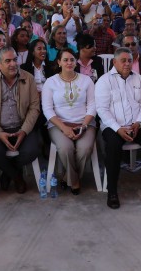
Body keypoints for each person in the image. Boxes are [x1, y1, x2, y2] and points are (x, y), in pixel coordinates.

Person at [95, 47, 141, 209]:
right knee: (113, 147)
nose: (127, 64)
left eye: (130, 60)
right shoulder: (104, 81)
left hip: (136, 124)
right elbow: (102, 109)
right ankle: (112, 190)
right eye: (123, 60)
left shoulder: (139, 79)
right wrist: (118, 128)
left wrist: (139, 122)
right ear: (114, 62)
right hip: (113, 126)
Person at [0, 47, 41, 195]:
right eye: (8, 61)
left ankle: (8, 173)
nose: (13, 64)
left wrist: (23, 131)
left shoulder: (28, 78)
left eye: (15, 59)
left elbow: (34, 108)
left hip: (21, 126)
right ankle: (17, 177)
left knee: (32, 151)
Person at [42, 49, 96, 194]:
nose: (69, 63)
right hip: (58, 124)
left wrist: (84, 126)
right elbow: (47, 110)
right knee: (66, 148)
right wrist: (64, 128)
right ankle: (75, 180)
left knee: (85, 149)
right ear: (59, 62)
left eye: (72, 59)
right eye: (65, 60)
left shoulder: (86, 80)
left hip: (84, 123)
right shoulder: (50, 82)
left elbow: (92, 106)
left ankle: (68, 177)